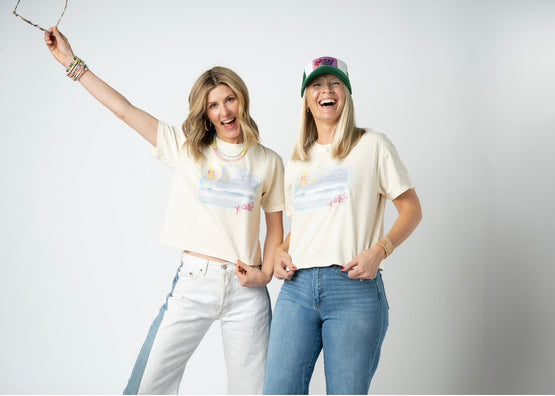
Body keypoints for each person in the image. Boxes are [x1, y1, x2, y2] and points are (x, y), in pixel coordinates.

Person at [43, 27, 284, 395]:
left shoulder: (269, 161)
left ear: (242, 101)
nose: (224, 110)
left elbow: (275, 228)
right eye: (214, 105)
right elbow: (124, 110)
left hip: (246, 292)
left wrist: (264, 275)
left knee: (255, 390)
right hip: (195, 282)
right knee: (149, 385)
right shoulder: (186, 150)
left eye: (230, 99)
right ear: (205, 114)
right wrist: (72, 62)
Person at [263, 56, 422, 395]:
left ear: (347, 94)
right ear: (307, 100)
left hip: (352, 288)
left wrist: (380, 250)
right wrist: (280, 251)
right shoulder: (297, 160)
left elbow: (411, 209)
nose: (327, 90)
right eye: (317, 85)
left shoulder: (373, 145)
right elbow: (307, 224)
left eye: (335, 83)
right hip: (297, 290)